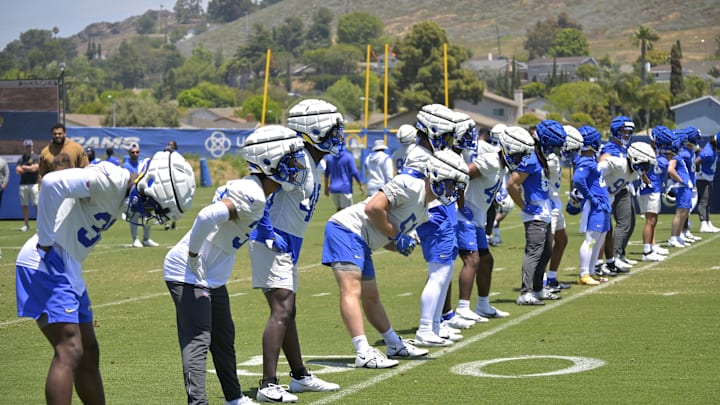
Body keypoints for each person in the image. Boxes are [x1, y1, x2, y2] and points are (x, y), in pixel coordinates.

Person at [16, 150, 195, 405]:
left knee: (88, 352)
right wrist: (45, 240)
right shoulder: (110, 177)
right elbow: (52, 183)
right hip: (45, 262)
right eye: (150, 204)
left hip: (69, 267)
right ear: (147, 180)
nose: (147, 212)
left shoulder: (125, 191)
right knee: (70, 350)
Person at [164, 126, 305, 405]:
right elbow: (207, 216)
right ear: (268, 163)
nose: (296, 166)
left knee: (224, 337)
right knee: (199, 339)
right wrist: (193, 255)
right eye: (289, 160)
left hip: (211, 275)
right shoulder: (251, 192)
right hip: (188, 272)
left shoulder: (256, 192)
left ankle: (234, 398)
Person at [322, 149, 467, 366]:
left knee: (372, 296)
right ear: (437, 174)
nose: (452, 190)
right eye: (450, 184)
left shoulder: (424, 210)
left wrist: (398, 245)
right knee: (351, 290)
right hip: (346, 229)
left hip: (362, 239)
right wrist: (398, 236)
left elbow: (385, 230)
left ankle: (393, 343)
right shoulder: (409, 184)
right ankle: (363, 351)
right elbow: (373, 208)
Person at [248, 100, 343, 403]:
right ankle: (267, 383)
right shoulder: (296, 160)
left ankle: (299, 375)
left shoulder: (311, 161)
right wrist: (265, 231)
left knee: (289, 311)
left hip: (289, 242)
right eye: (332, 129)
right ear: (312, 129)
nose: (337, 135)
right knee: (282, 309)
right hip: (274, 241)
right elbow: (257, 187)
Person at [406, 104, 471, 347]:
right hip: (434, 215)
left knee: (444, 274)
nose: (447, 141)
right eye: (444, 135)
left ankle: (436, 325)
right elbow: (418, 191)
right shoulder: (418, 155)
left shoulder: (429, 153)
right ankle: (426, 328)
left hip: (445, 213)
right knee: (439, 274)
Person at [452, 117, 510, 324]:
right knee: (472, 260)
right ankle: (462, 308)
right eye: (520, 154)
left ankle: (483, 305)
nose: (521, 159)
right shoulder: (490, 161)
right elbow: (460, 176)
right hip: (464, 217)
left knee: (486, 260)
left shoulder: (501, 164)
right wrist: (460, 205)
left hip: (476, 218)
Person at [500, 126, 556, 306]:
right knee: (534, 252)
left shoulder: (539, 157)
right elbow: (512, 184)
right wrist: (524, 206)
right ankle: (525, 292)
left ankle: (538, 289)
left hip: (544, 211)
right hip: (535, 212)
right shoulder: (531, 158)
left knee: (546, 251)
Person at [570, 125, 613, 285]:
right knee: (591, 239)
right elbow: (578, 180)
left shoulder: (591, 160)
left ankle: (591, 272)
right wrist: (591, 198)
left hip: (603, 204)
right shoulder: (585, 161)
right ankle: (584, 273)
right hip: (595, 205)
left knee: (599, 239)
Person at [543, 123, 583, 290]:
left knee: (562, 239)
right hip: (547, 204)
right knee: (545, 246)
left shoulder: (556, 159)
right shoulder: (549, 159)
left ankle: (551, 277)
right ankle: (542, 280)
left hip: (555, 203)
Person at [597, 116, 637, 274]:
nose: (627, 135)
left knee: (628, 222)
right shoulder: (611, 148)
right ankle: (614, 256)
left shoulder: (622, 148)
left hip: (622, 188)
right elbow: (602, 163)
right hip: (613, 190)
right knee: (621, 223)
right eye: (624, 131)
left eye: (629, 132)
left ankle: (617, 255)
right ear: (616, 131)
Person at [638, 126, 672, 261]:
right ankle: (647, 251)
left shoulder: (659, 154)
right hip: (649, 190)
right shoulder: (646, 151)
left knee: (653, 220)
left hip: (655, 189)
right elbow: (640, 170)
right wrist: (648, 182)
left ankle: (652, 246)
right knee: (650, 220)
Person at [123, 144, 159, 247]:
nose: (135, 154)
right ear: (129, 153)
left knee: (147, 215)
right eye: (133, 152)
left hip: (144, 192)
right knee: (134, 216)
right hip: (133, 193)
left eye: (137, 152)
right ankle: (135, 240)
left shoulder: (142, 163)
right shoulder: (126, 165)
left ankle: (146, 239)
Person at [667, 129, 694, 248]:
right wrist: (681, 180)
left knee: (685, 212)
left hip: (686, 187)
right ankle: (673, 237)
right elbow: (670, 169)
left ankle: (678, 236)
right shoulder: (674, 156)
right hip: (682, 187)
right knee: (680, 213)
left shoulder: (678, 155)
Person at [324, 144, 364, 211]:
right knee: (347, 213)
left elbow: (326, 174)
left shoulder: (329, 157)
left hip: (334, 188)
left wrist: (326, 187)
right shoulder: (348, 156)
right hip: (345, 188)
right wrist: (360, 184)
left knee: (339, 212)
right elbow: (354, 172)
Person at [696, 132, 720, 233]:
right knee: (704, 201)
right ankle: (703, 223)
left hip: (709, 177)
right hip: (703, 178)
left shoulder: (711, 149)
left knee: (708, 201)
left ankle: (708, 222)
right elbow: (697, 161)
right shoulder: (708, 151)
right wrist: (699, 172)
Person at [16, 139, 40, 232]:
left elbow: (35, 169)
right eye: (26, 146)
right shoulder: (21, 158)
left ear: (32, 146)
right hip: (23, 184)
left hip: (34, 184)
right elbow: (18, 171)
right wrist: (29, 168)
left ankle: (39, 225)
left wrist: (24, 167)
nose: (28, 148)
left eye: (29, 146)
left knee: (36, 205)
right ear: (24, 147)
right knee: (24, 205)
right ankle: (26, 225)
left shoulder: (36, 157)